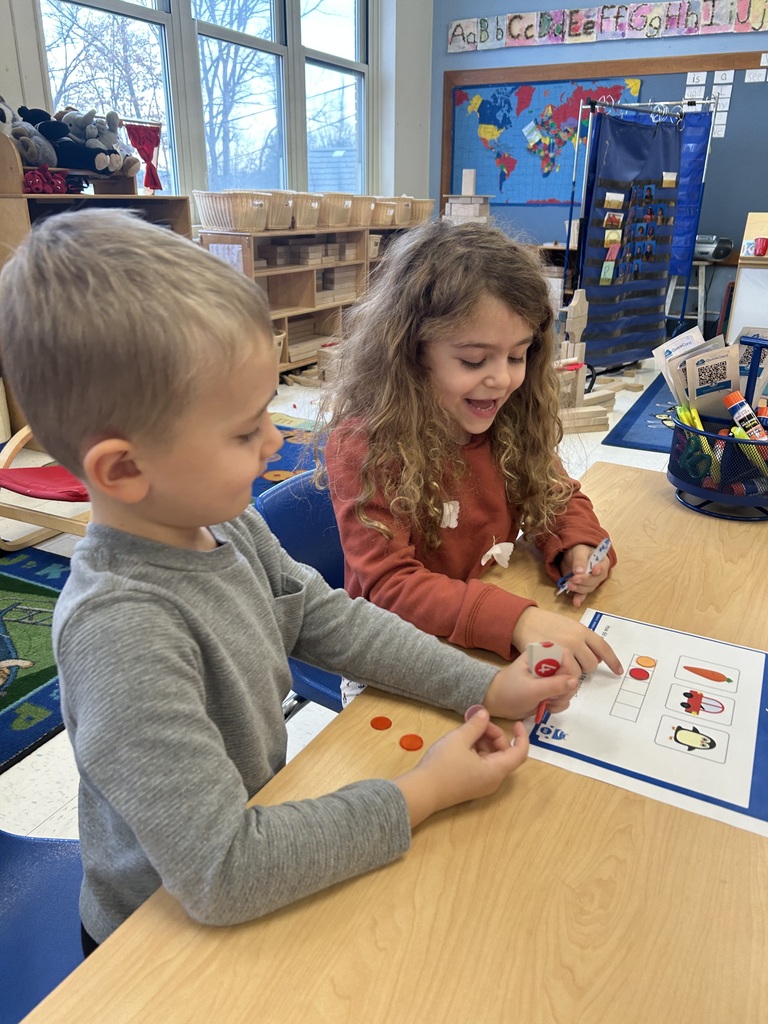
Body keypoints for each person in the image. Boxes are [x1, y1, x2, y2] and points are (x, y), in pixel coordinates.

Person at [0, 209, 581, 953]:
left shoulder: (222, 520)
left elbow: (324, 617)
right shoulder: (121, 632)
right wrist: (423, 791)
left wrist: (485, 687)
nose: (277, 440)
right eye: (246, 430)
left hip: (257, 847)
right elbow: (221, 870)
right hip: (158, 940)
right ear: (124, 468)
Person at [321, 221, 622, 687]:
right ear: (411, 352)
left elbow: (555, 496)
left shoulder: (508, 421)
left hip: (480, 635)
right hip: (393, 660)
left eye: (518, 356)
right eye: (474, 360)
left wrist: (578, 545)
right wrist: (518, 620)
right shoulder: (365, 447)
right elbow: (389, 586)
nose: (502, 379)